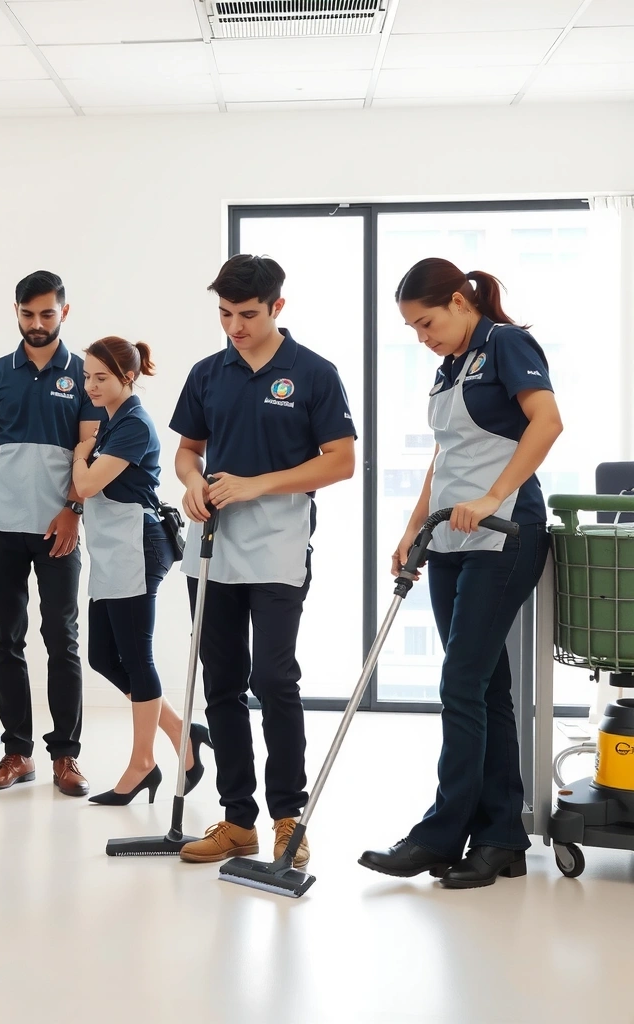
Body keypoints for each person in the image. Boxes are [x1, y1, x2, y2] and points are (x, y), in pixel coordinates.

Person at [360, 258, 563, 889]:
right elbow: (445, 456)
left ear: (457, 301)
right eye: (413, 330)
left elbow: (548, 423)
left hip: (504, 536)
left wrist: (493, 497)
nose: (422, 338)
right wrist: (413, 528)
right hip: (449, 539)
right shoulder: (450, 366)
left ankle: (441, 834)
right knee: (483, 687)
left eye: (426, 323)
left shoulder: (506, 344)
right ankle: (502, 835)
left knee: (459, 684)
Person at [170, 254, 356, 866]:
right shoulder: (208, 373)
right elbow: (187, 452)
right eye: (224, 314)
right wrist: (192, 483)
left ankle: (287, 818)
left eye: (247, 314)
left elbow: (339, 461)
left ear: (277, 307)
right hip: (213, 546)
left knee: (273, 679)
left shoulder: (313, 373)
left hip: (278, 543)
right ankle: (237, 820)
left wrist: (256, 484)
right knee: (220, 683)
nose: (234, 327)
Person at [0, 271, 103, 796]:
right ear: (16, 312)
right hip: (0, 527)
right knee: (7, 641)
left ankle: (65, 755)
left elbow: (88, 449)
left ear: (64, 312)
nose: (37, 324)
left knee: (61, 638)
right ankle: (17, 752)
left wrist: (73, 508)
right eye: (28, 314)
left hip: (56, 528)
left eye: (47, 313)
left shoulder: (86, 375)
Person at [70, 337, 212, 804]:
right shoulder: (111, 423)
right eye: (87, 376)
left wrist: (79, 453)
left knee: (136, 657)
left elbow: (88, 484)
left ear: (128, 378)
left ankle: (141, 764)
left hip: (137, 546)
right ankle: (179, 731)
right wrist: (89, 447)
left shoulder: (132, 424)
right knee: (103, 657)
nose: (90, 385)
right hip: (114, 548)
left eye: (101, 377)